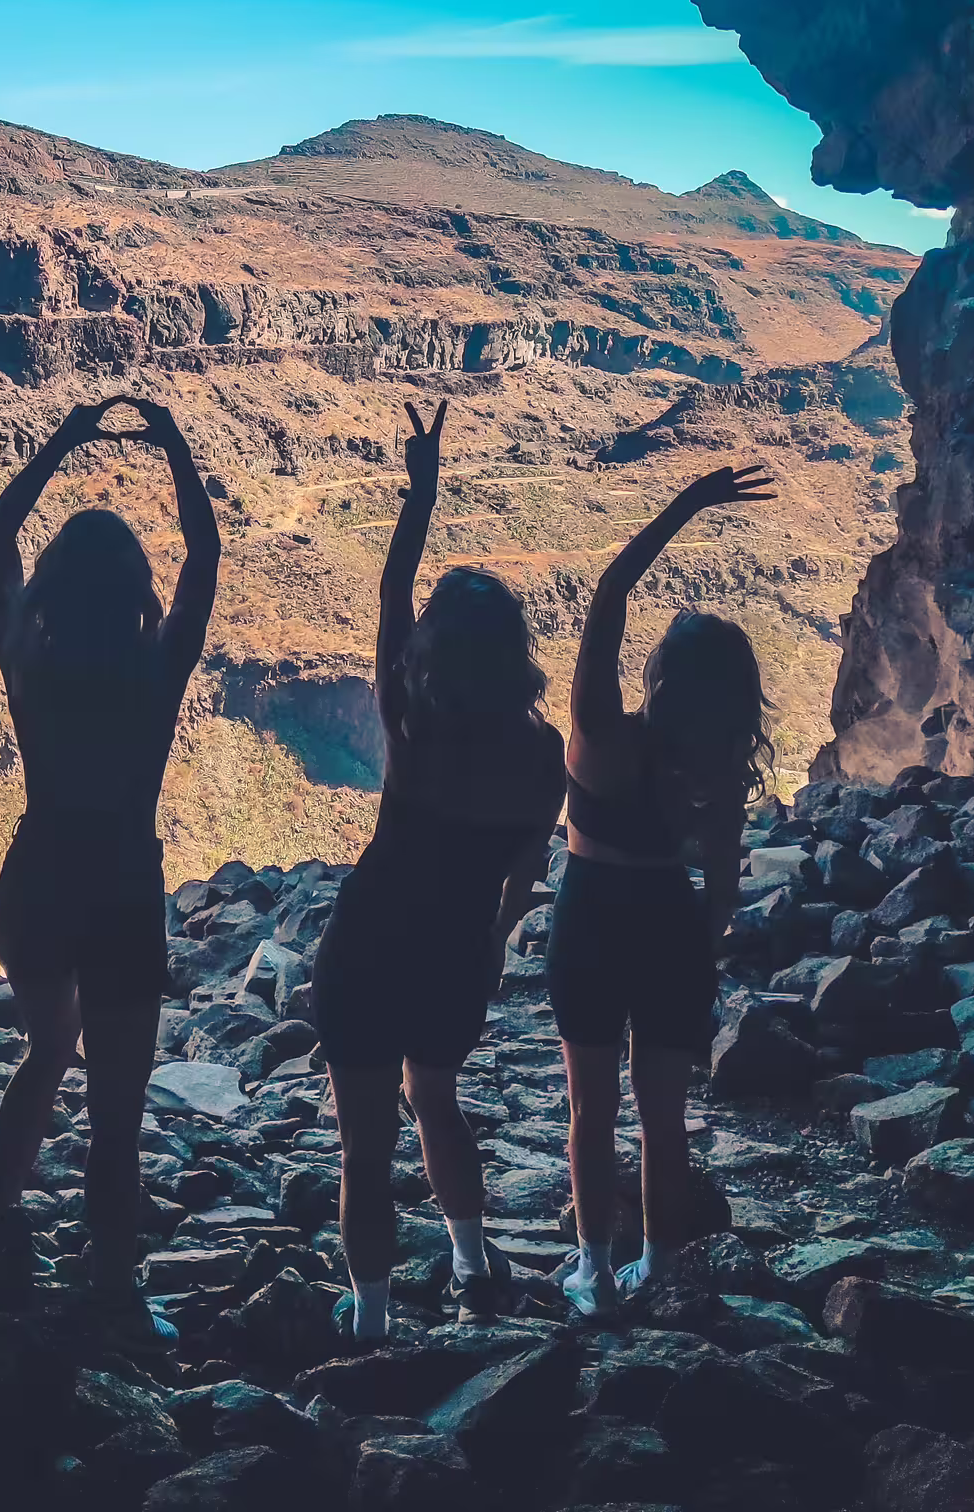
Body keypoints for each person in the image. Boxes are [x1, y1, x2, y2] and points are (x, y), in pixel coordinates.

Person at [312, 401, 566, 1338]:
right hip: (455, 954)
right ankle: (469, 1261)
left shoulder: (413, 729)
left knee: (363, 1150)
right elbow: (525, 875)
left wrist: (419, 493)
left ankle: (370, 1321)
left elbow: (390, 600)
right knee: (439, 1105)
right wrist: (491, 945)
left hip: (369, 943)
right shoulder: (542, 760)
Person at [0, 393, 221, 1343]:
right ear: (133, 593)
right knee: (117, 1110)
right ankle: (110, 1282)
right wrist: (173, 443)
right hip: (122, 885)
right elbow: (204, 556)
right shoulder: (153, 673)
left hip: (38, 877)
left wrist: (63, 440)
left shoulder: (26, 663)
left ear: (50, 588)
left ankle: (0, 1225)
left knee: (46, 1054)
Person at [549, 463, 775, 1317]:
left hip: (593, 920)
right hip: (671, 928)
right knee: (662, 1116)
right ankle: (662, 1265)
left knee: (589, 1112)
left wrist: (683, 504)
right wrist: (698, 954)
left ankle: (595, 1274)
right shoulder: (714, 770)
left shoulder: (604, 738)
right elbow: (719, 889)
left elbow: (608, 594)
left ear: (660, 676)